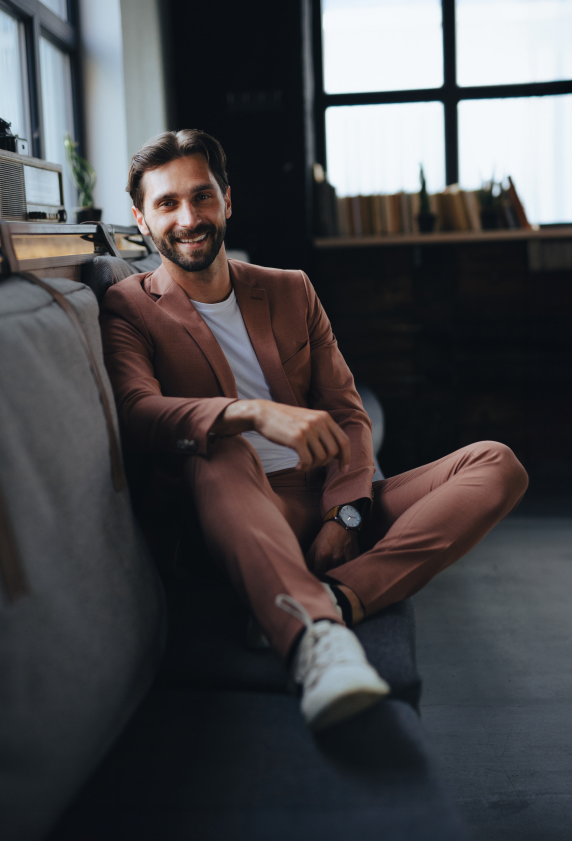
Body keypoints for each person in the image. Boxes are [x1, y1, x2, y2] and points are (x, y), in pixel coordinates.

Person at [100, 129, 529, 732]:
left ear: (228, 200)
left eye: (202, 197)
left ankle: (337, 597)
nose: (189, 217)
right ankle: (316, 644)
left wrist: (345, 514)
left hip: (323, 497)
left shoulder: (290, 289)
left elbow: (347, 412)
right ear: (143, 221)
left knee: (496, 463)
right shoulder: (129, 306)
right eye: (167, 204)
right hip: (234, 507)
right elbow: (137, 411)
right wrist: (246, 413)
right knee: (215, 449)